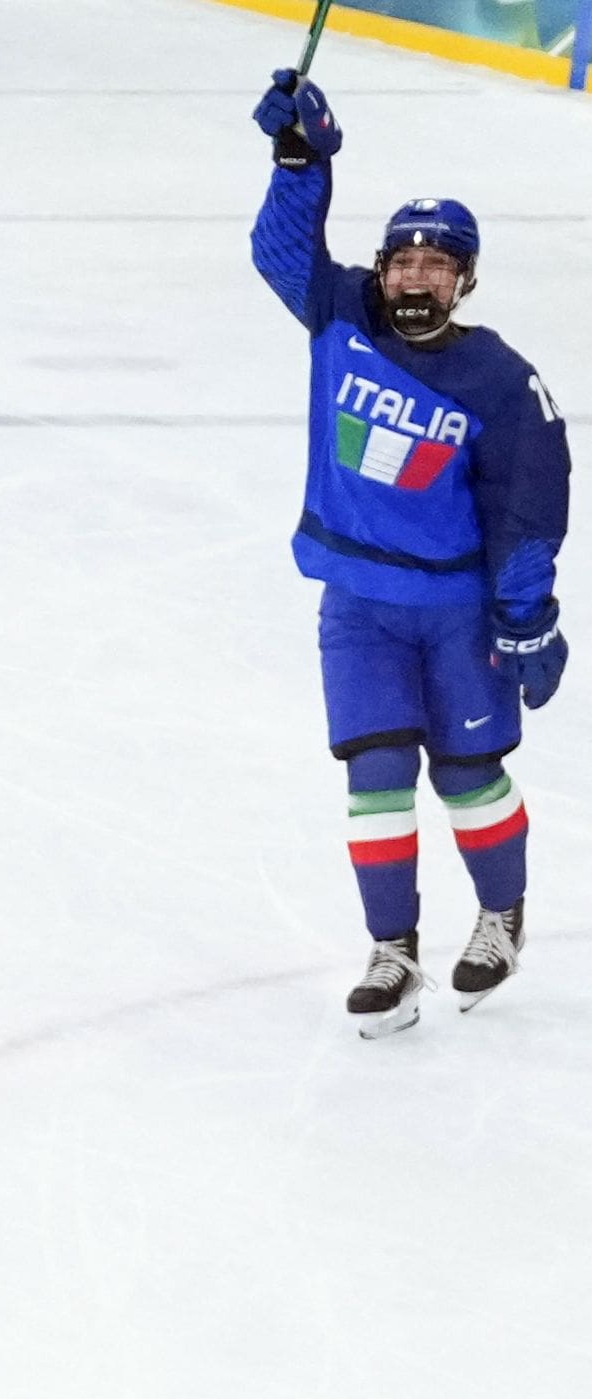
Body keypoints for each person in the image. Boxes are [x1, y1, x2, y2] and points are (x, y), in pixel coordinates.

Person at [250, 69, 568, 1033]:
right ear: (381, 270)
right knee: (375, 776)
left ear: (464, 279)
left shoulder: (499, 381)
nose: (415, 277)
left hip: (455, 615)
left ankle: (501, 916)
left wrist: (525, 618)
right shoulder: (339, 312)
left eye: (437, 264)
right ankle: (391, 950)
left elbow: (528, 510)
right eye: (402, 261)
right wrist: (299, 162)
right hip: (357, 607)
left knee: (466, 775)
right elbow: (280, 251)